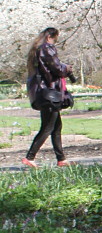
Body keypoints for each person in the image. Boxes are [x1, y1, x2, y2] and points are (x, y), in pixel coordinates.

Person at [22, 27, 76, 168]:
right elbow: (57, 68)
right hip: (50, 94)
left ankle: (61, 159)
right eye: (55, 38)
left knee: (56, 126)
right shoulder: (46, 48)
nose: (55, 42)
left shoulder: (37, 50)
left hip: (44, 93)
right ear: (51, 37)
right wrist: (67, 69)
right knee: (47, 127)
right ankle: (30, 157)